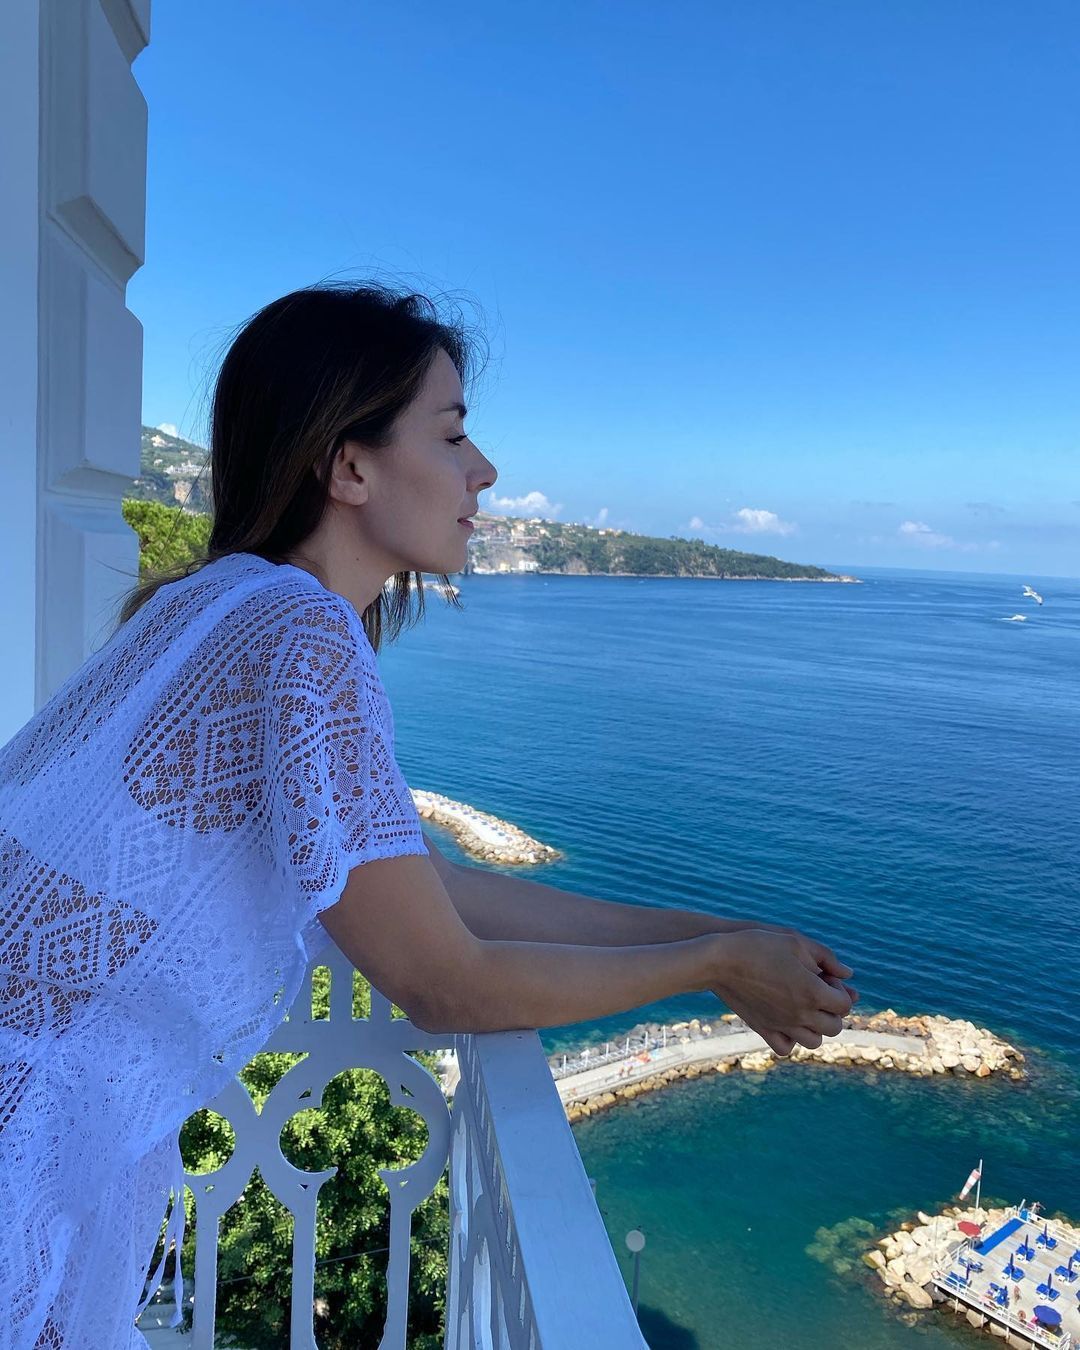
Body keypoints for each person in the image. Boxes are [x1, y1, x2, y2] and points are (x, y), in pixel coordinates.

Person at [0, 282, 858, 1347]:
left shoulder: (207, 602)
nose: (484, 471)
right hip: (27, 1136)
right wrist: (713, 966)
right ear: (349, 466)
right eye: (453, 435)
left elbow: (429, 890)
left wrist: (715, 937)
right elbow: (439, 977)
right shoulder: (302, 635)